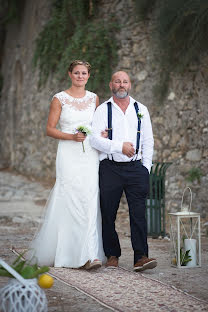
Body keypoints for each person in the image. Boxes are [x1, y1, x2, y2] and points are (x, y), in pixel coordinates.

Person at [27, 60, 105, 269]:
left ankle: (90, 253)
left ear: (89, 76)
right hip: (68, 153)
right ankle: (67, 254)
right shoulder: (59, 99)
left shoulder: (94, 98)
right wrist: (71, 137)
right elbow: (50, 129)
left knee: (89, 198)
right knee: (69, 197)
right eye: (77, 73)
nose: (80, 76)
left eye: (84, 73)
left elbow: (97, 127)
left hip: (89, 154)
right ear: (70, 74)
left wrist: (102, 134)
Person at [90, 71, 157, 272]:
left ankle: (141, 256)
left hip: (136, 169)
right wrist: (119, 147)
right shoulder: (103, 110)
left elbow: (148, 141)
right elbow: (94, 139)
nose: (121, 85)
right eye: (117, 81)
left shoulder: (141, 109)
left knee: (138, 213)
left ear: (130, 85)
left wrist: (146, 167)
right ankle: (112, 254)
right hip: (110, 168)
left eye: (125, 81)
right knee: (108, 212)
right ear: (111, 85)